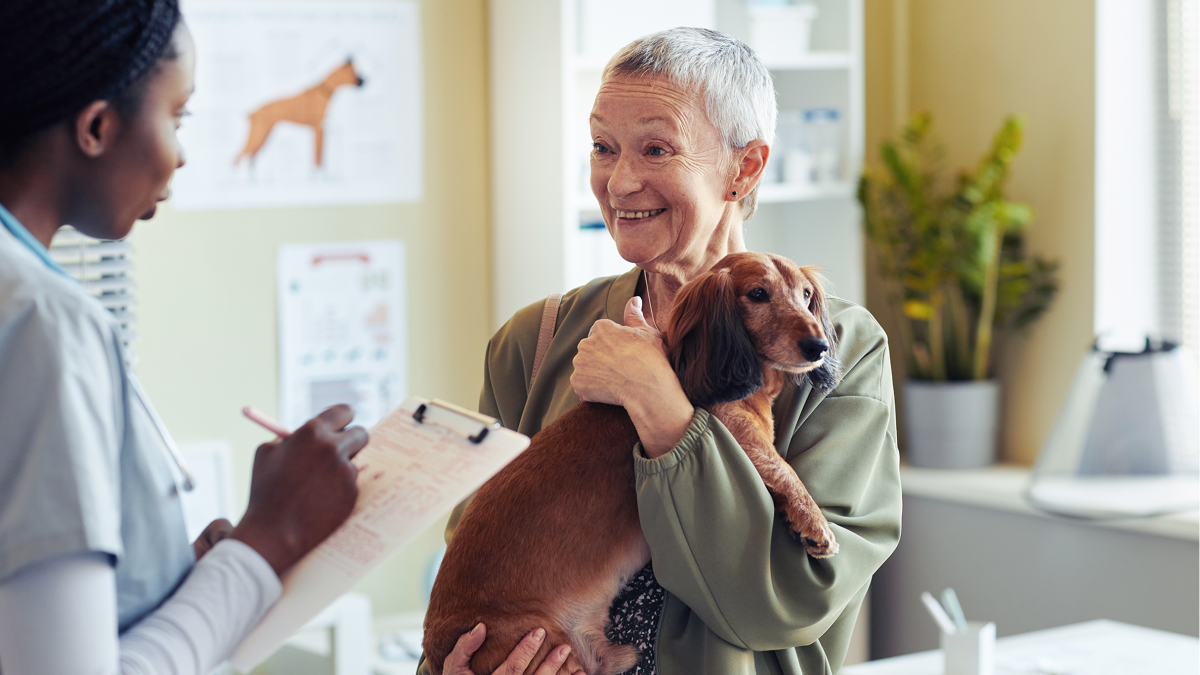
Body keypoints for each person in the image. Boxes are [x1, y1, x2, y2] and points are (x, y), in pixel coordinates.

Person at [0, 2, 578, 674]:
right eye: (177, 116)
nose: (182, 155)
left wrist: (186, 579)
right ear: (97, 127)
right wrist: (267, 541)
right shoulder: (45, 322)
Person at [427, 28, 903, 675]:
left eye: (656, 149)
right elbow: (472, 573)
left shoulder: (833, 348)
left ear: (746, 166)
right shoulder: (533, 341)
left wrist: (660, 404)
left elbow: (789, 599)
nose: (620, 181)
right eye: (602, 147)